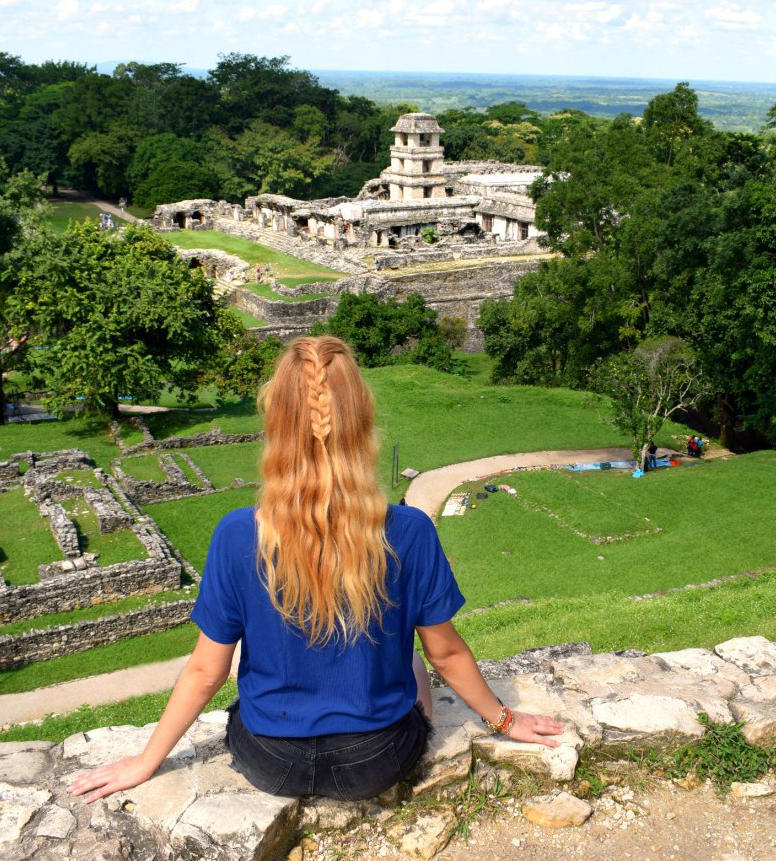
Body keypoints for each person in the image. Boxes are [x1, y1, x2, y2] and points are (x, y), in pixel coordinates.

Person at [68, 337, 562, 804]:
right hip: (376, 760)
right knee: (412, 659)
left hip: (270, 759)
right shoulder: (408, 529)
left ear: (277, 425)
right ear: (361, 421)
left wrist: (146, 760)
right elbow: (447, 654)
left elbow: (205, 671)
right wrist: (503, 721)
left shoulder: (237, 534)